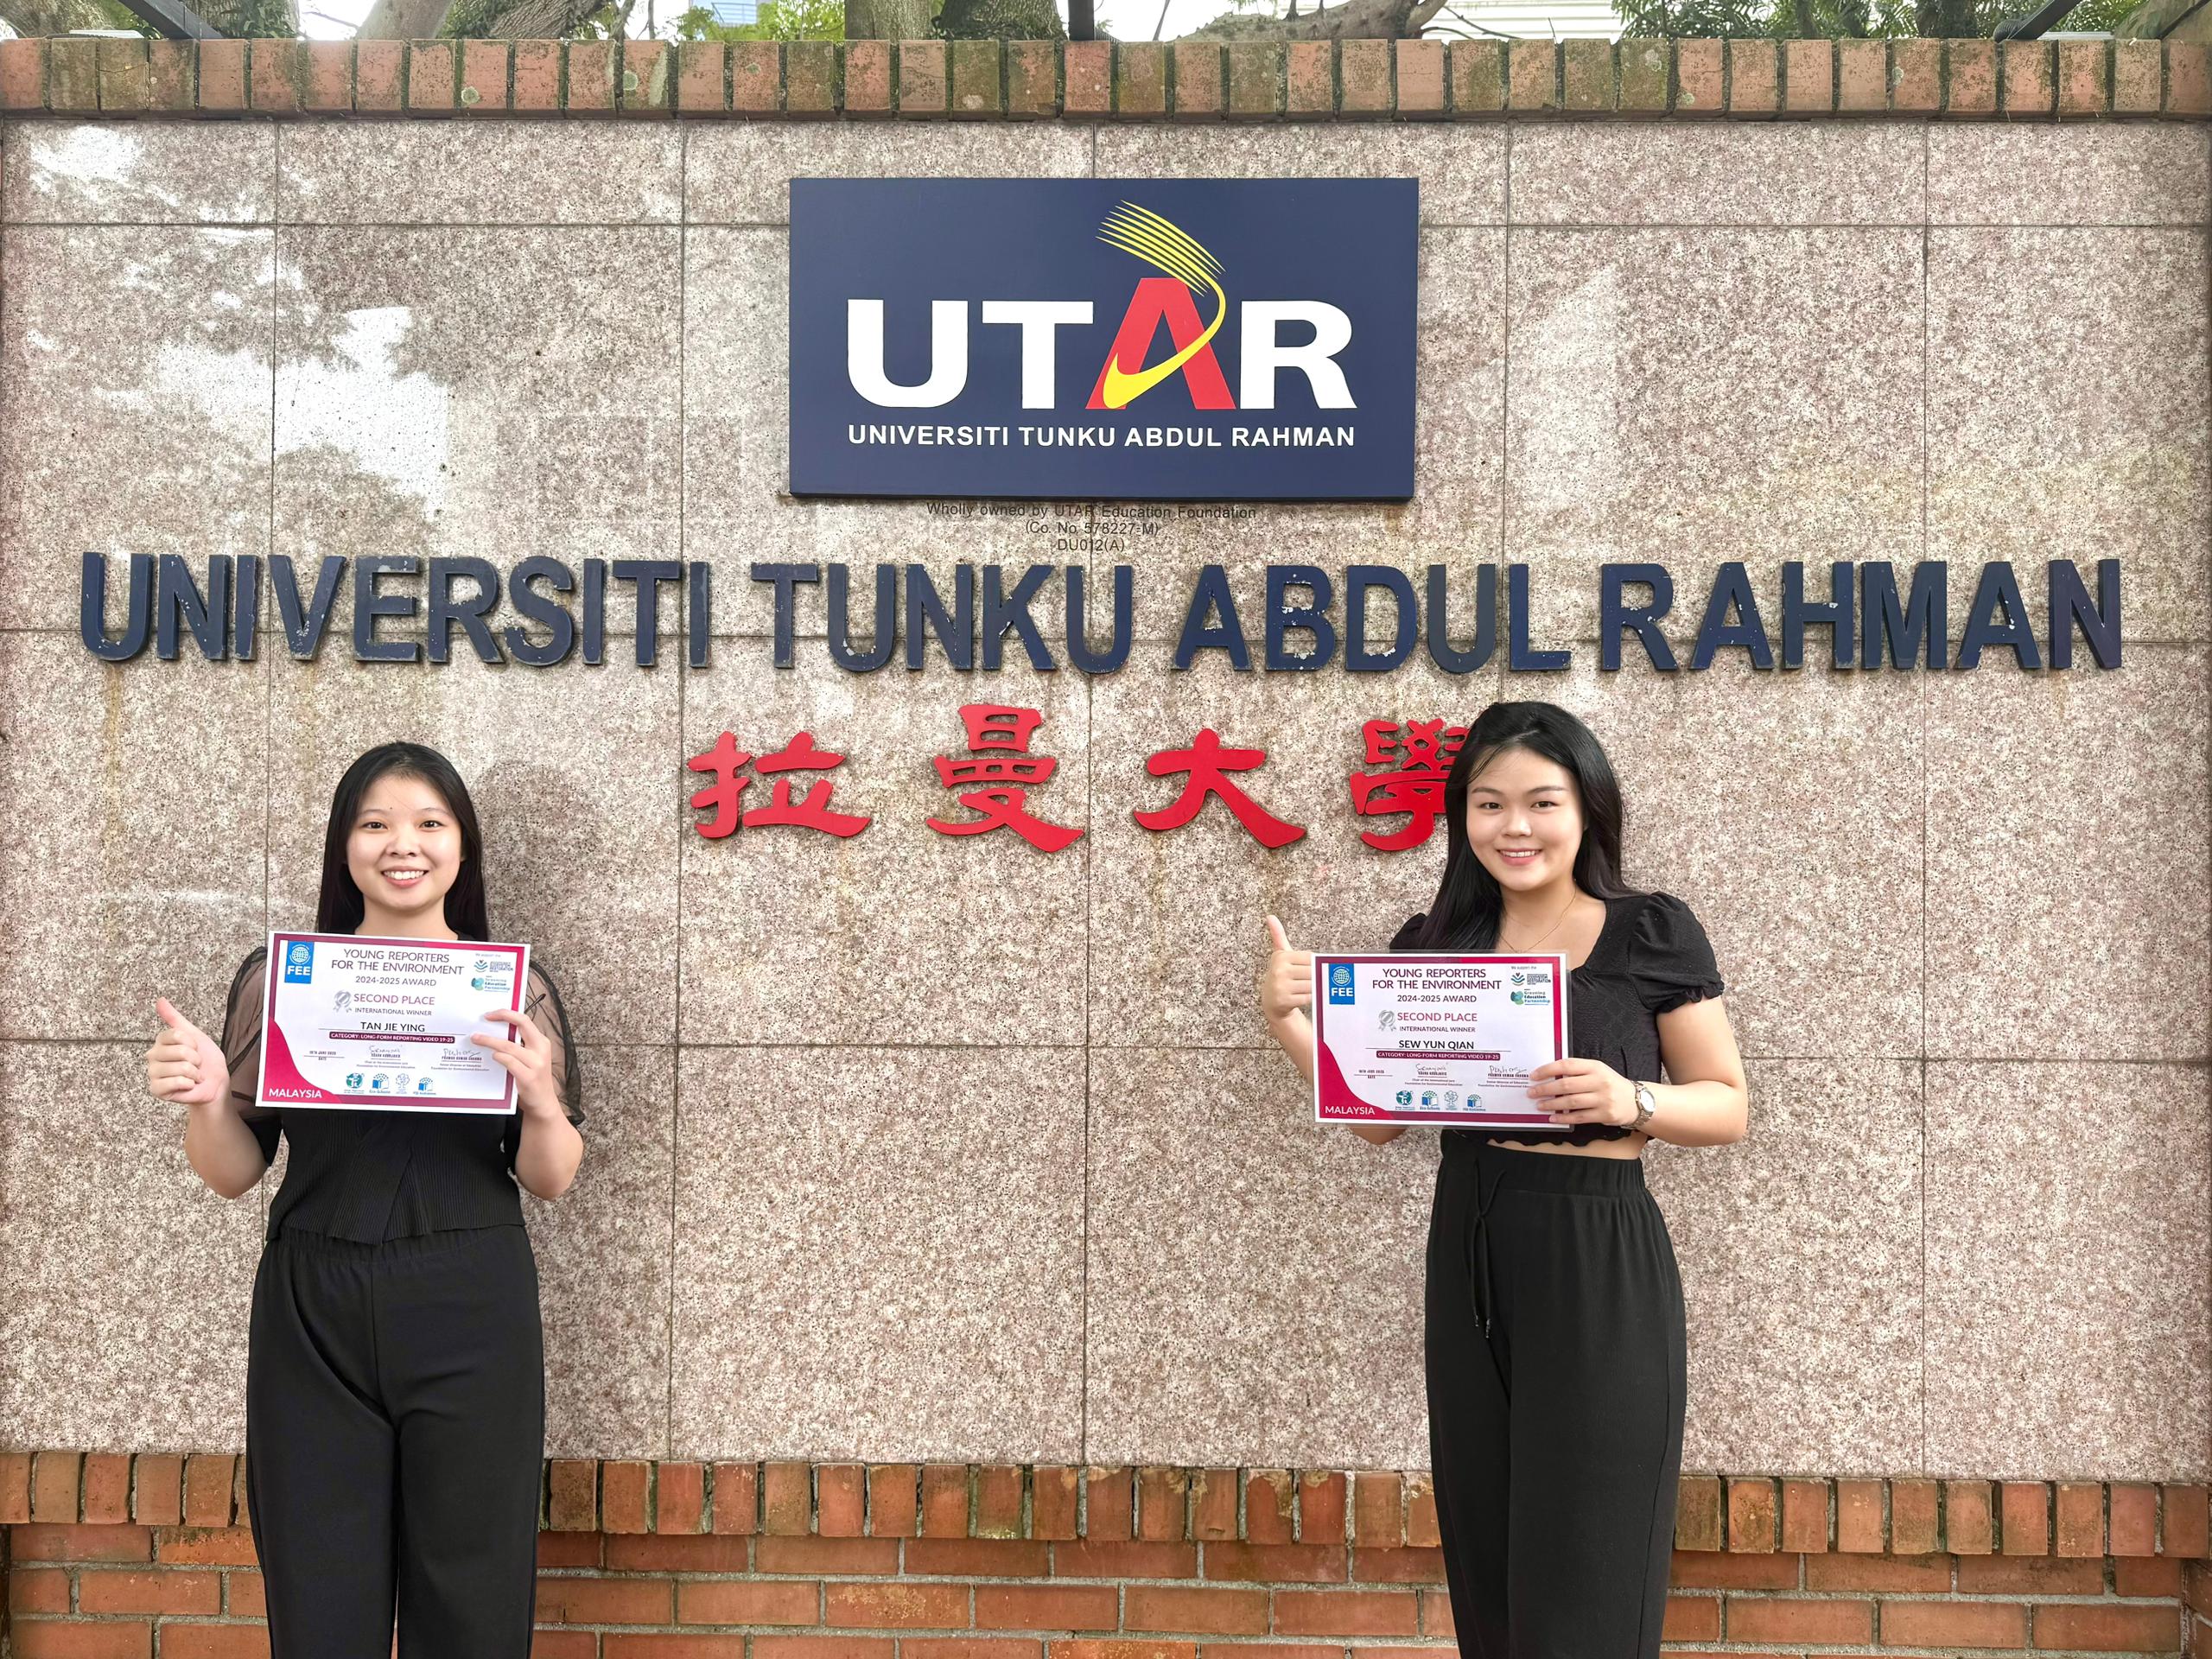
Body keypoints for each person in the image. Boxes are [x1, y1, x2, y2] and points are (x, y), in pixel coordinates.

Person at [1258, 701, 1749, 1659]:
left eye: (1540, 802)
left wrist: (1627, 1097)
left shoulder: (1647, 931)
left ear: (1586, 810)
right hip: (1470, 1235)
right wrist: (1290, 1025)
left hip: (1595, 1243)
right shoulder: (1433, 944)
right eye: (1488, 804)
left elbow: (1726, 1104)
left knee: (1592, 1543)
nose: (1513, 827)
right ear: (1461, 816)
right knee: (1488, 1538)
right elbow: (1380, 1124)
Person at [142, 741, 587, 1659]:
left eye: (430, 823)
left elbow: (550, 1176)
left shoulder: (512, 993)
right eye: (375, 823)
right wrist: (205, 1099)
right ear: (344, 846)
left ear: (462, 849)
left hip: (470, 1300)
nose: (403, 844)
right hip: (313, 1304)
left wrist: (540, 1102)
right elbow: (233, 1171)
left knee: (472, 1591)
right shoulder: (283, 984)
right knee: (317, 1591)